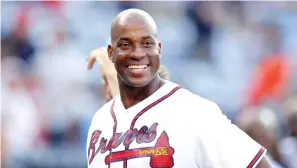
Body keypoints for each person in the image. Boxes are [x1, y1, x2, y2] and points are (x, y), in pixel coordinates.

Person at [86, 9, 274, 168]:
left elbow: (258, 164)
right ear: (111, 53)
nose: (137, 54)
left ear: (159, 49)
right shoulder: (99, 122)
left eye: (146, 44)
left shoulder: (193, 111)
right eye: (126, 45)